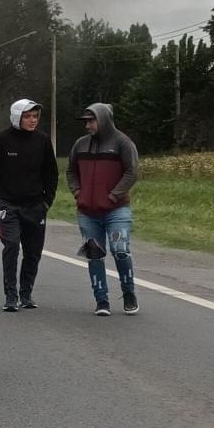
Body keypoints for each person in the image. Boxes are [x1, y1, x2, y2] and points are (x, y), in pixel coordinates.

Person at [0, 99, 58, 312]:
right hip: (8, 205)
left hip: (35, 206)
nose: (32, 120)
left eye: (35, 116)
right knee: (11, 246)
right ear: (17, 117)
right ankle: (10, 295)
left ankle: (26, 293)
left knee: (33, 252)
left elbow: (51, 173)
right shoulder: (1, 141)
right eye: (27, 116)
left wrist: (47, 201)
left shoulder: (42, 141)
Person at [67, 103, 141, 316]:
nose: (88, 126)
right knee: (94, 254)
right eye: (86, 122)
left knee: (120, 249)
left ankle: (129, 293)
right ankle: (101, 300)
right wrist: (77, 192)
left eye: (91, 121)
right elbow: (71, 171)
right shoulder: (80, 145)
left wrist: (113, 195)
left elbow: (132, 172)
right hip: (87, 212)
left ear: (104, 120)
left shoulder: (122, 143)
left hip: (116, 210)